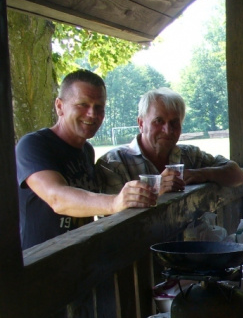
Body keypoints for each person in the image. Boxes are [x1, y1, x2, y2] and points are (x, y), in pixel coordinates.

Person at [16, 69, 156, 250]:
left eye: (99, 107)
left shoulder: (87, 151)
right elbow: (56, 198)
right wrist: (115, 202)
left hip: (80, 259)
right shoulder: (33, 145)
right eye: (83, 104)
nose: (92, 114)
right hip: (40, 263)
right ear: (59, 106)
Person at [97, 87, 243, 195]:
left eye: (174, 123)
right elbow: (111, 221)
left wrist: (200, 174)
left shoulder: (190, 155)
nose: (167, 130)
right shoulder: (114, 163)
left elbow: (238, 175)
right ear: (141, 124)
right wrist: (155, 190)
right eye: (158, 121)